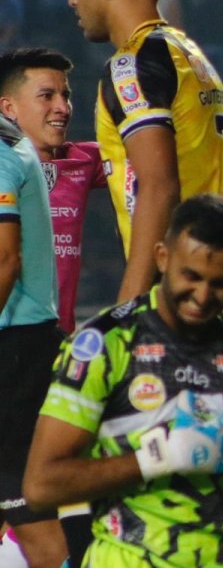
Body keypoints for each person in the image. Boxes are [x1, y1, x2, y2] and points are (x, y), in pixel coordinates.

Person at [22, 195, 223, 567]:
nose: (202, 296)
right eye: (191, 276)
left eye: (220, 283)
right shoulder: (105, 345)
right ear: (162, 257)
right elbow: (40, 487)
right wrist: (160, 455)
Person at [67, 0, 223, 327]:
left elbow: (158, 185)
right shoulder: (186, 52)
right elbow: (194, 140)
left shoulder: (132, 65)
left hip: (181, 308)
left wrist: (130, 309)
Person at [0, 88, 63, 568]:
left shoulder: (4, 155)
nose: (62, 106)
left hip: (15, 350)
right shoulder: (18, 148)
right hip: (29, 344)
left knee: (30, 515)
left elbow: (5, 259)